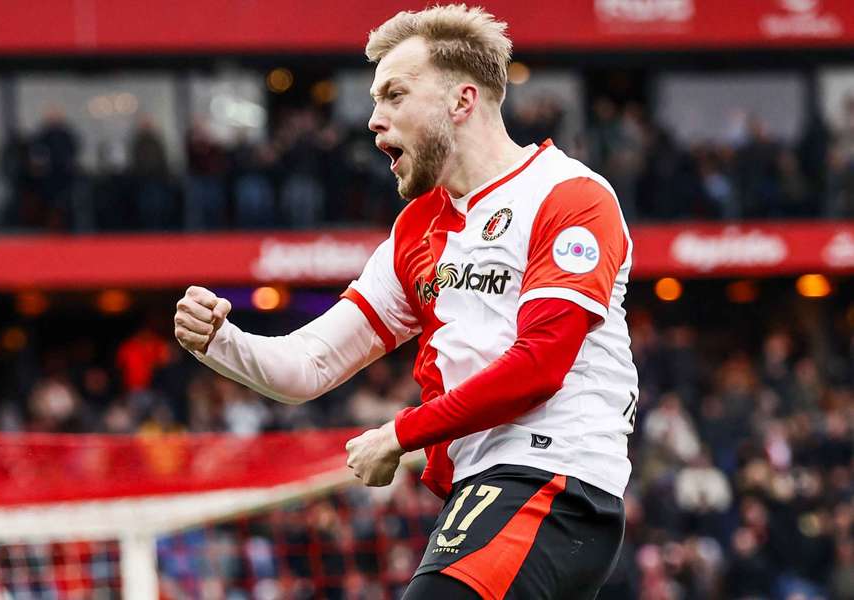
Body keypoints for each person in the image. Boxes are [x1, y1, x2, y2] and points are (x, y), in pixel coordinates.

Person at [174, 5, 637, 598]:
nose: (372, 120)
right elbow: (309, 363)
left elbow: (539, 366)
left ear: (462, 101)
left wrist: (399, 434)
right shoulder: (416, 229)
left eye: (393, 95)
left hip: (556, 478)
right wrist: (221, 341)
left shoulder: (570, 195)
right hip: (482, 483)